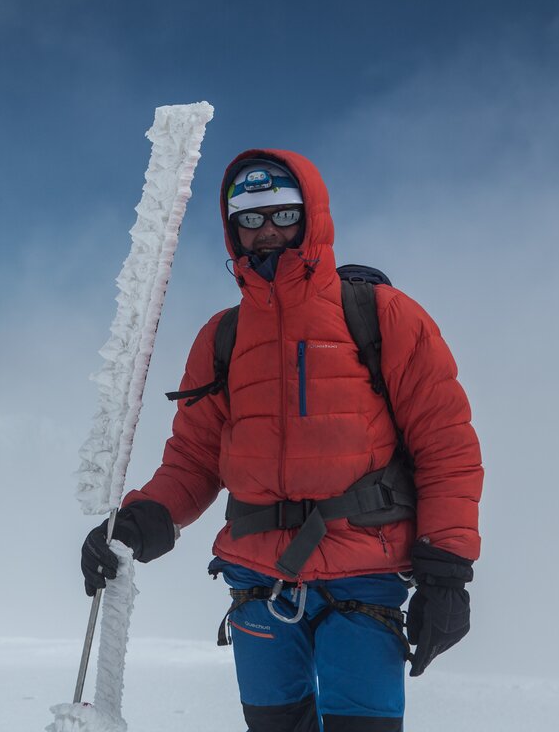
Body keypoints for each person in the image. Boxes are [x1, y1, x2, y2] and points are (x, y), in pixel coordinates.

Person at [80, 149, 483, 732]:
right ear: (232, 230)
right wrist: (139, 522)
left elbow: (446, 446)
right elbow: (194, 459)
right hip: (257, 581)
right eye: (250, 219)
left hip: (364, 576)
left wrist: (447, 571)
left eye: (282, 215)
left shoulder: (382, 315)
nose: (266, 231)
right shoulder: (223, 336)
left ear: (311, 217)